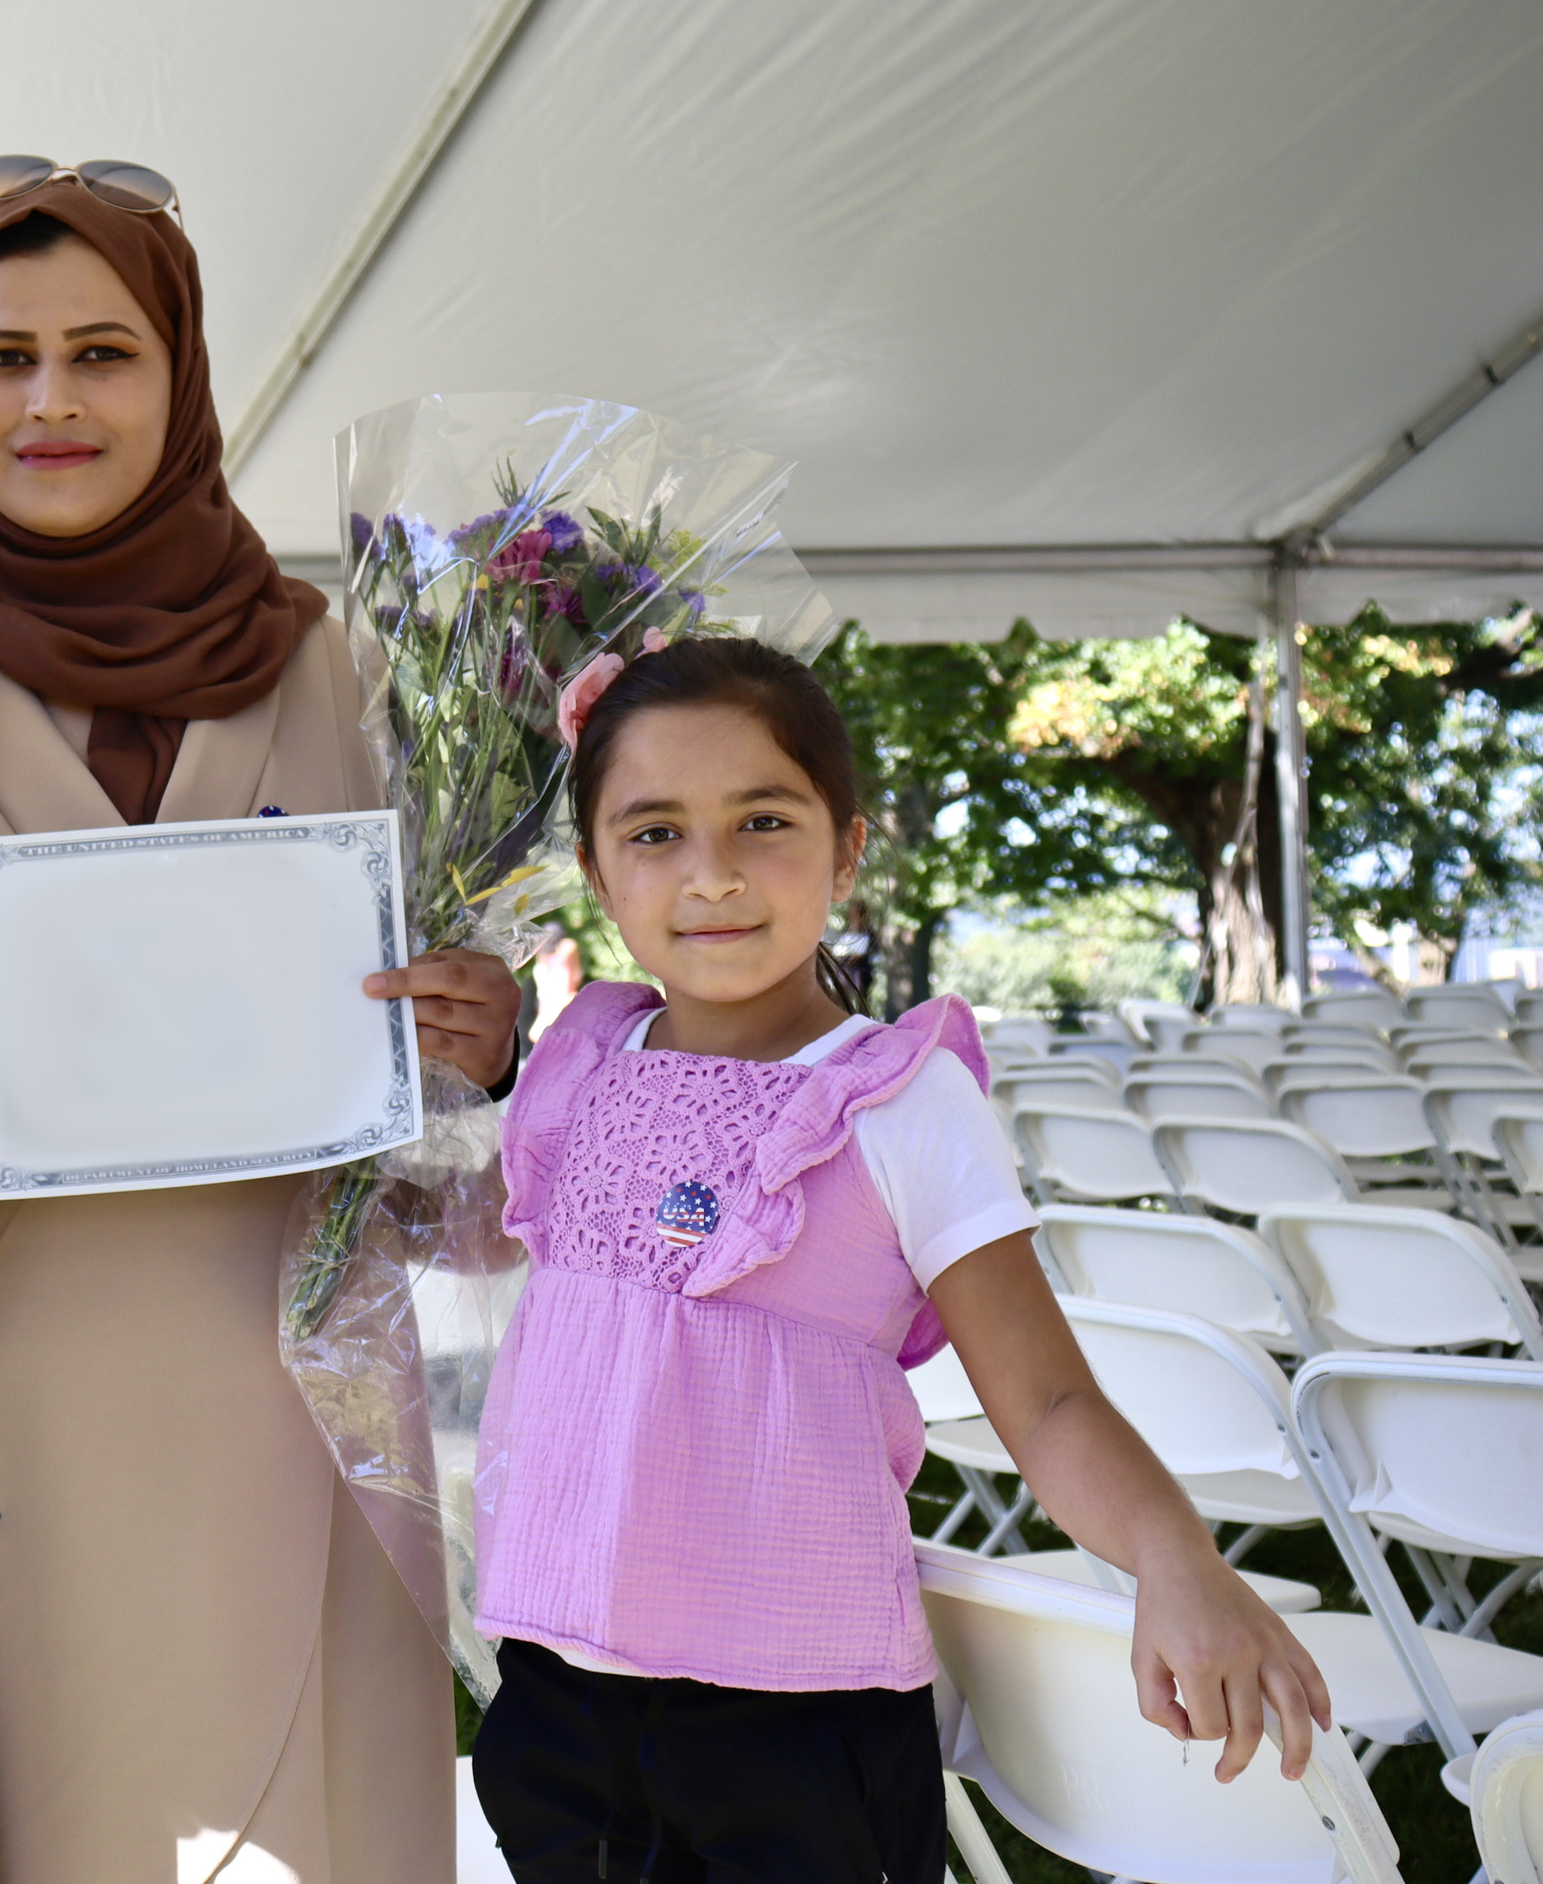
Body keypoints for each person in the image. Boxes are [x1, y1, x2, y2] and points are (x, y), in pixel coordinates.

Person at [0, 169, 524, 1879]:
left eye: (104, 352)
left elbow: (441, 1008)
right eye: (3, 356)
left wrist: (493, 1017)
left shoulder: (352, 668)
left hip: (298, 1387)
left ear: (180, 382)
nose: (51, 400)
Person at [468, 637, 1334, 1881]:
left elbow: (1045, 1394)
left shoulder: (899, 1101)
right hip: (558, 1694)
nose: (711, 874)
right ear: (600, 876)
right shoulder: (584, 1063)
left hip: (794, 1713)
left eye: (762, 818)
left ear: (850, 847)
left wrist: (1175, 1557)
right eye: (653, 832)